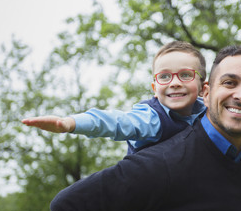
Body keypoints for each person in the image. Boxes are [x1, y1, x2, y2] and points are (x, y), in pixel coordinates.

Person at [50, 45, 241, 211]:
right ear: (207, 93)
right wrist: (71, 123)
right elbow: (68, 206)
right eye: (230, 82)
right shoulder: (161, 162)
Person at [22, 41, 207, 154]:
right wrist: (70, 123)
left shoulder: (209, 113)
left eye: (185, 75)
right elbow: (115, 121)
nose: (174, 82)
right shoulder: (150, 118)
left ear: (202, 87)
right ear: (154, 89)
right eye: (164, 76)